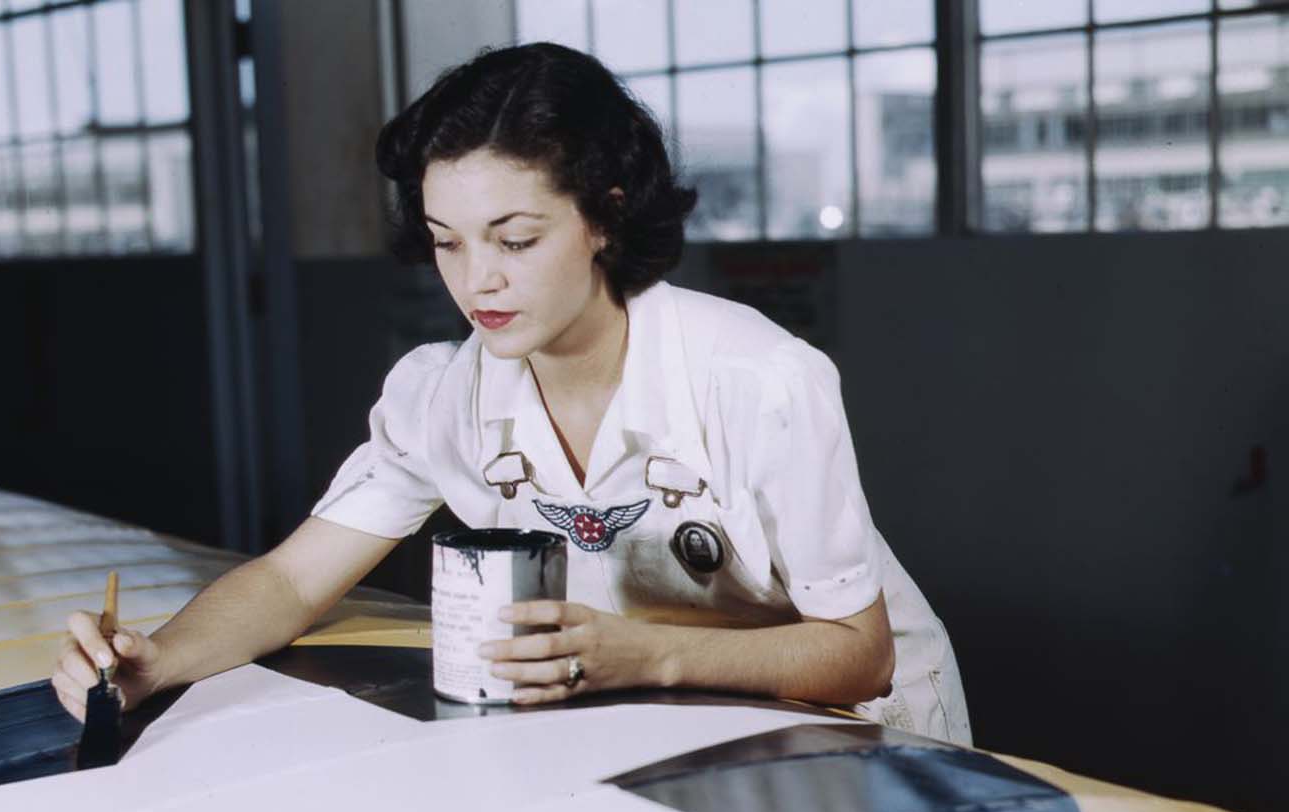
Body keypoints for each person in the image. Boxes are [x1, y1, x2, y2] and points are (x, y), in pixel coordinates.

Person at [53, 42, 970, 744]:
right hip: (669, 714)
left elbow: (860, 650)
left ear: (605, 214)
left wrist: (645, 653)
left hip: (877, 733)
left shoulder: (758, 379)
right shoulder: (444, 394)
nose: (476, 281)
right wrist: (152, 661)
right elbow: (295, 577)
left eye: (515, 239)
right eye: (447, 241)